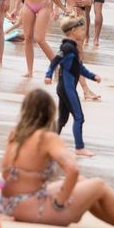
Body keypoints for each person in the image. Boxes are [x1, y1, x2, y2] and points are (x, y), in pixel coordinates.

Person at [0, 89, 114, 228]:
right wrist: (60, 202)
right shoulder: (46, 137)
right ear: (49, 112)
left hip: (10, 206)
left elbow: (6, 174)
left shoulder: (15, 135)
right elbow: (72, 169)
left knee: (84, 183)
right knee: (98, 185)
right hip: (32, 209)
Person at [44, 15, 101, 156]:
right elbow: (56, 60)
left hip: (64, 88)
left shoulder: (72, 47)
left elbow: (78, 68)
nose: (84, 33)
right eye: (82, 30)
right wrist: (48, 74)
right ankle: (79, 148)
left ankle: (48, 143)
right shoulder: (68, 47)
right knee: (79, 117)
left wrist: (93, 76)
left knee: (63, 119)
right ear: (73, 31)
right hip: (67, 88)